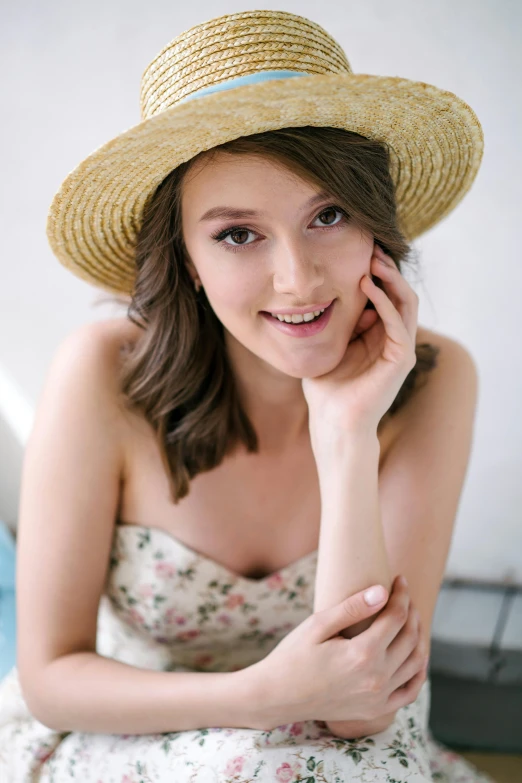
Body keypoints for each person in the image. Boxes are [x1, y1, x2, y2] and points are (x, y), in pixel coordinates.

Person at [0, 9, 495, 782]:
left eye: (328, 215)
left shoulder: (435, 379)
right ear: (188, 259)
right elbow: (54, 678)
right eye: (238, 234)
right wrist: (260, 694)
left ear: (374, 225)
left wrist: (346, 434)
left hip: (341, 748)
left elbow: (361, 706)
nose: (298, 278)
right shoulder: (103, 373)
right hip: (128, 731)